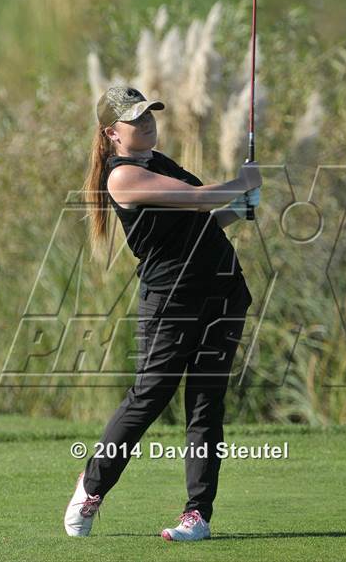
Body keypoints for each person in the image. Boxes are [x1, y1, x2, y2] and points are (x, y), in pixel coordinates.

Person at [64, 86, 262, 541]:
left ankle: (198, 515)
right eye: (136, 118)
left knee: (206, 405)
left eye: (149, 113)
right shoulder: (123, 177)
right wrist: (242, 182)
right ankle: (92, 487)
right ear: (112, 133)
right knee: (150, 396)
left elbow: (200, 221)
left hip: (223, 293)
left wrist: (238, 206)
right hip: (172, 302)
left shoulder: (160, 162)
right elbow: (197, 200)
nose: (147, 122)